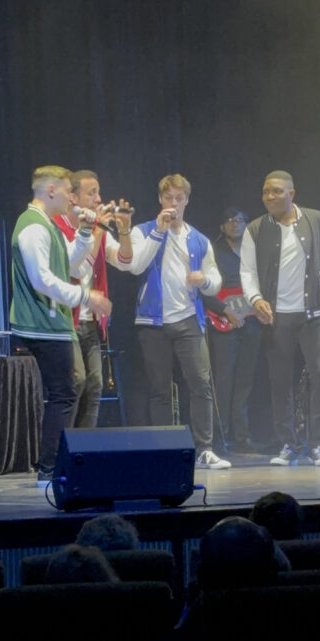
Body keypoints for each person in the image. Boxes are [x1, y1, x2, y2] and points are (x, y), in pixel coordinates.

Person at [240, 170, 320, 467]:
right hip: (276, 316)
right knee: (280, 380)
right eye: (266, 191)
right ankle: (288, 444)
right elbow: (247, 272)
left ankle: (317, 443)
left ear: (291, 193)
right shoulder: (255, 229)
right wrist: (256, 299)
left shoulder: (317, 220)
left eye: (277, 191)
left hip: (315, 313)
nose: (270, 196)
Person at [10, 165, 112, 482]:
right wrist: (86, 296)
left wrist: (84, 232)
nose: (72, 197)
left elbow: (66, 262)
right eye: (69, 190)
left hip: (53, 324)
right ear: (51, 190)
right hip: (42, 324)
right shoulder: (32, 227)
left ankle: (57, 465)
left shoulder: (47, 226)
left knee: (65, 392)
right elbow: (42, 279)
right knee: (64, 394)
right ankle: (50, 468)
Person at [127, 174, 231, 470]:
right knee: (159, 388)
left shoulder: (199, 239)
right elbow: (135, 266)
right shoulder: (143, 231)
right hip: (152, 321)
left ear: (187, 200)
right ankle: (166, 449)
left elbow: (216, 280)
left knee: (200, 383)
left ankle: (204, 449)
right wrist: (159, 231)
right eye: (168, 198)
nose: (173, 203)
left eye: (179, 198)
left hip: (188, 319)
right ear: (160, 200)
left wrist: (205, 279)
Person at [53, 170, 133, 428]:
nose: (99, 198)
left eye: (99, 192)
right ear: (73, 198)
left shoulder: (98, 228)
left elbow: (124, 261)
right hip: (66, 319)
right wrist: (96, 228)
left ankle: (86, 448)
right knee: (76, 381)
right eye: (92, 193)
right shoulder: (58, 226)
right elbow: (75, 267)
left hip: (91, 321)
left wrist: (125, 230)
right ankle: (65, 445)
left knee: (96, 384)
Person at [205, 208, 263, 452]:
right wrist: (225, 310)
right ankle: (220, 435)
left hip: (251, 322)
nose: (235, 224)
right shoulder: (214, 253)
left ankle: (243, 436)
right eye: (230, 220)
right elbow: (206, 291)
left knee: (246, 380)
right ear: (222, 226)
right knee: (224, 380)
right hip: (224, 322)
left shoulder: (255, 253)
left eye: (240, 220)